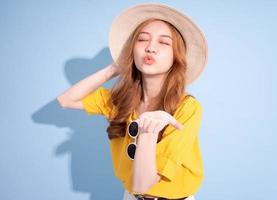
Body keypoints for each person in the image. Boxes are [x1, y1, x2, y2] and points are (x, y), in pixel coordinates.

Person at [57, 3, 208, 200]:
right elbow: (66, 100)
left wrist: (148, 131)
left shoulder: (187, 107)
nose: (151, 48)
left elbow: (143, 183)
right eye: (142, 39)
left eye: (164, 43)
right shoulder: (119, 101)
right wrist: (113, 69)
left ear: (176, 57)